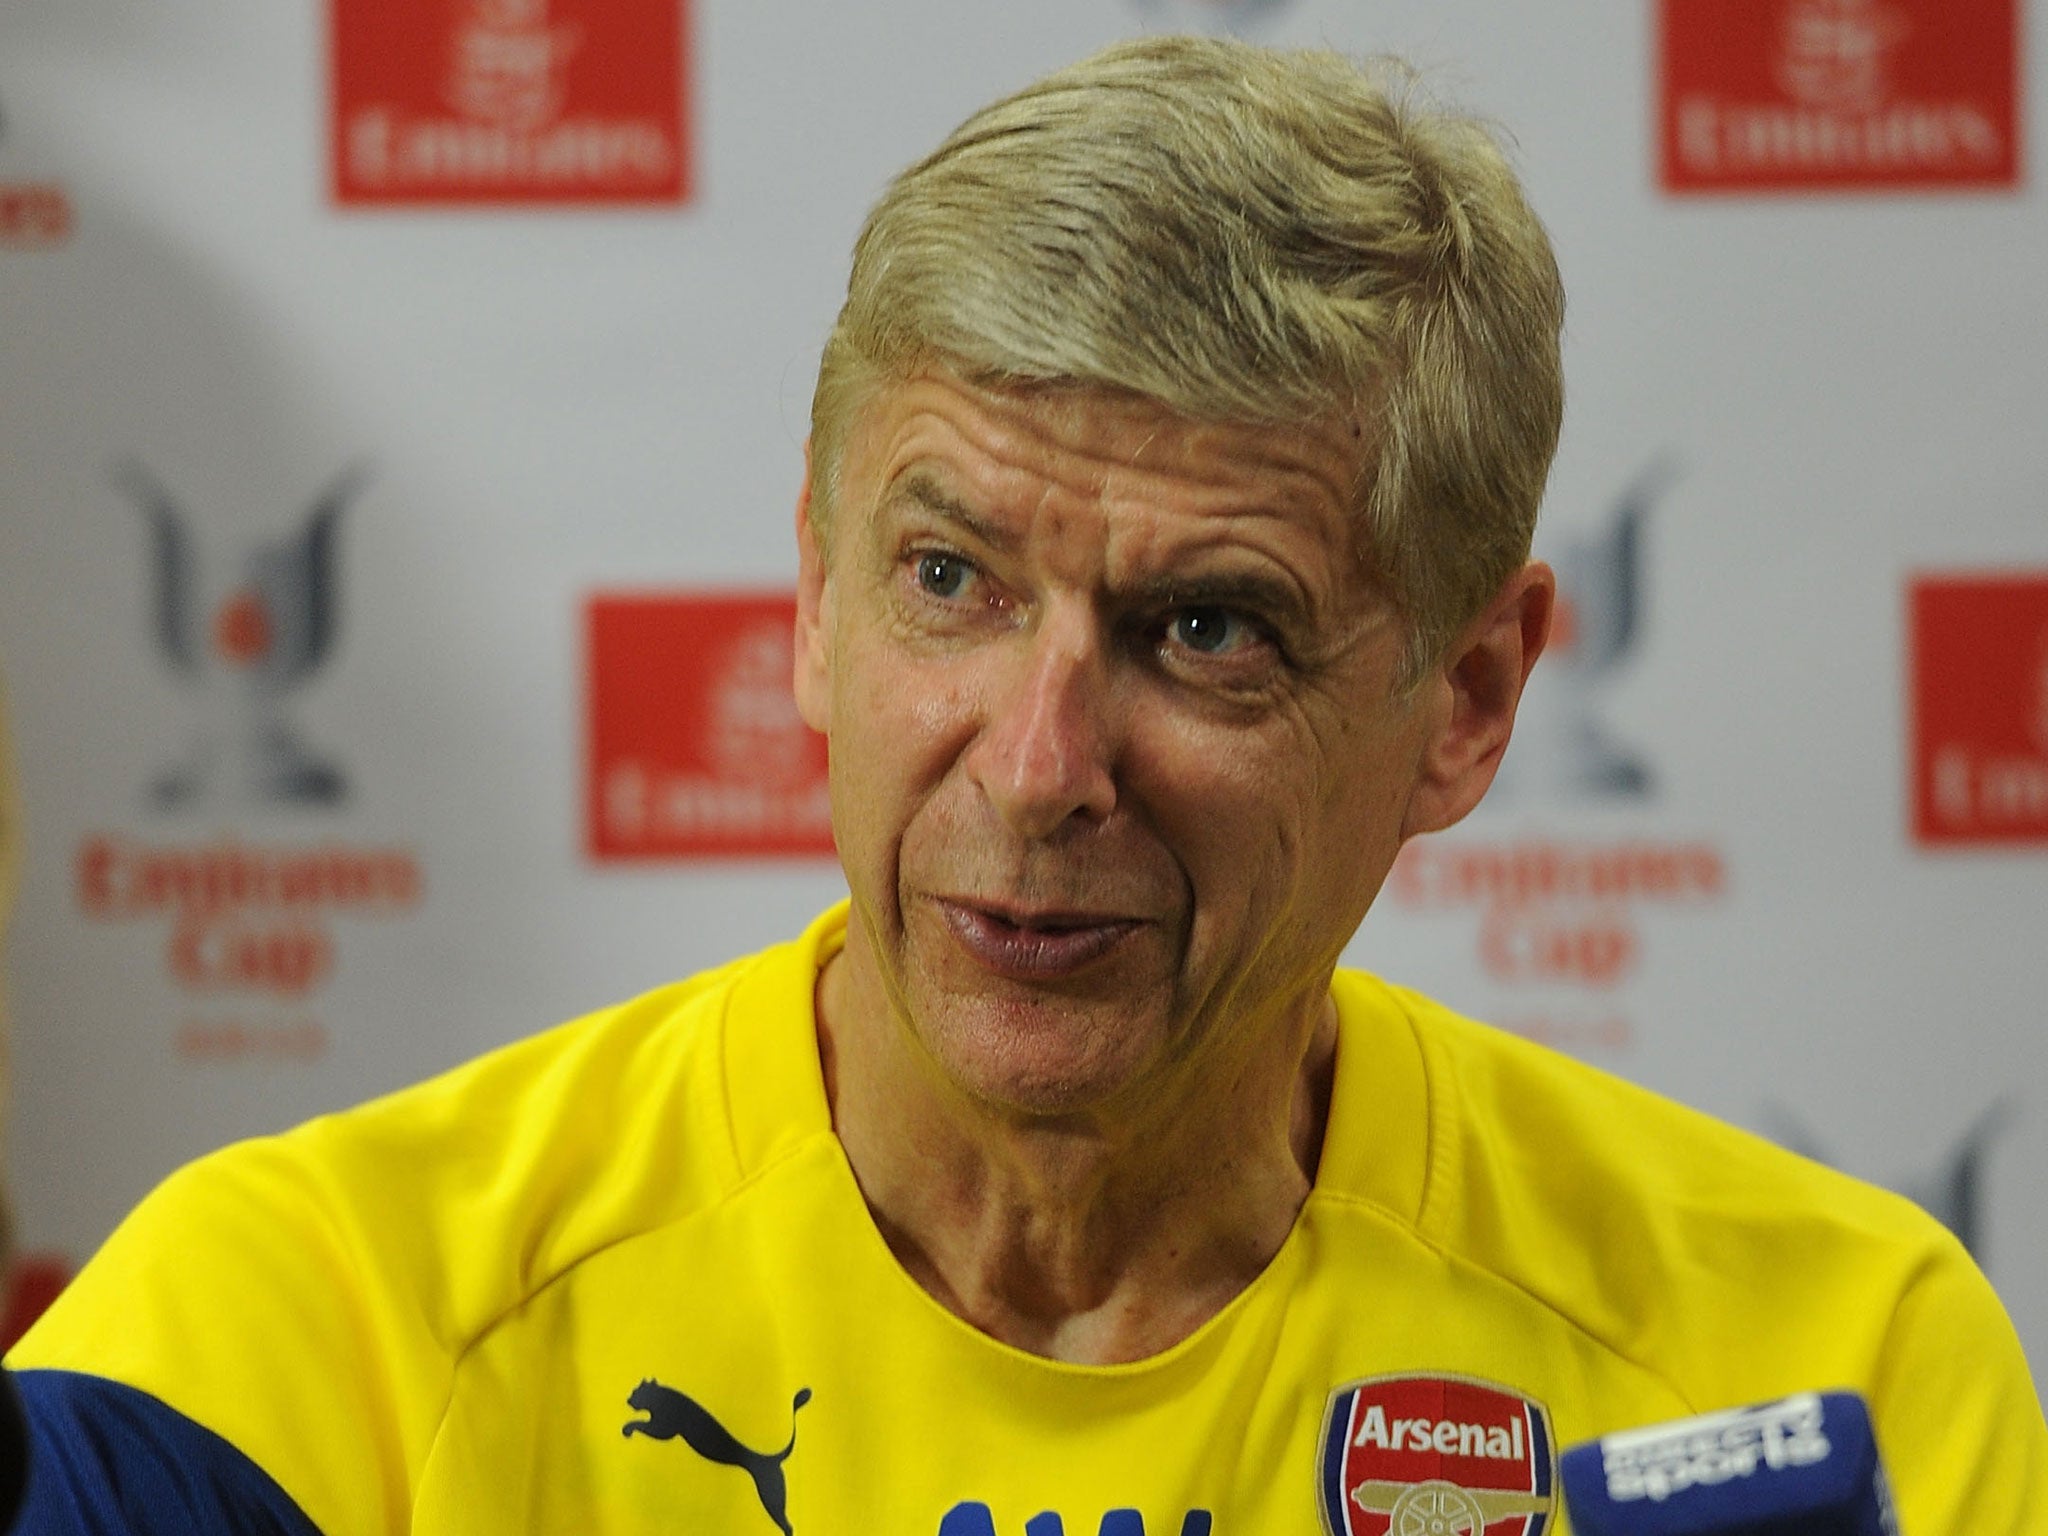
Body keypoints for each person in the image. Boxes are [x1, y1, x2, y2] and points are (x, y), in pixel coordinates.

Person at [8, 34, 2046, 1536]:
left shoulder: (1823, 1379)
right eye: (951, 580)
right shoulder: (306, 1343)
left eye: (1208, 631)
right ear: (813, 601)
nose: (1043, 763)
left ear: (1468, 699)